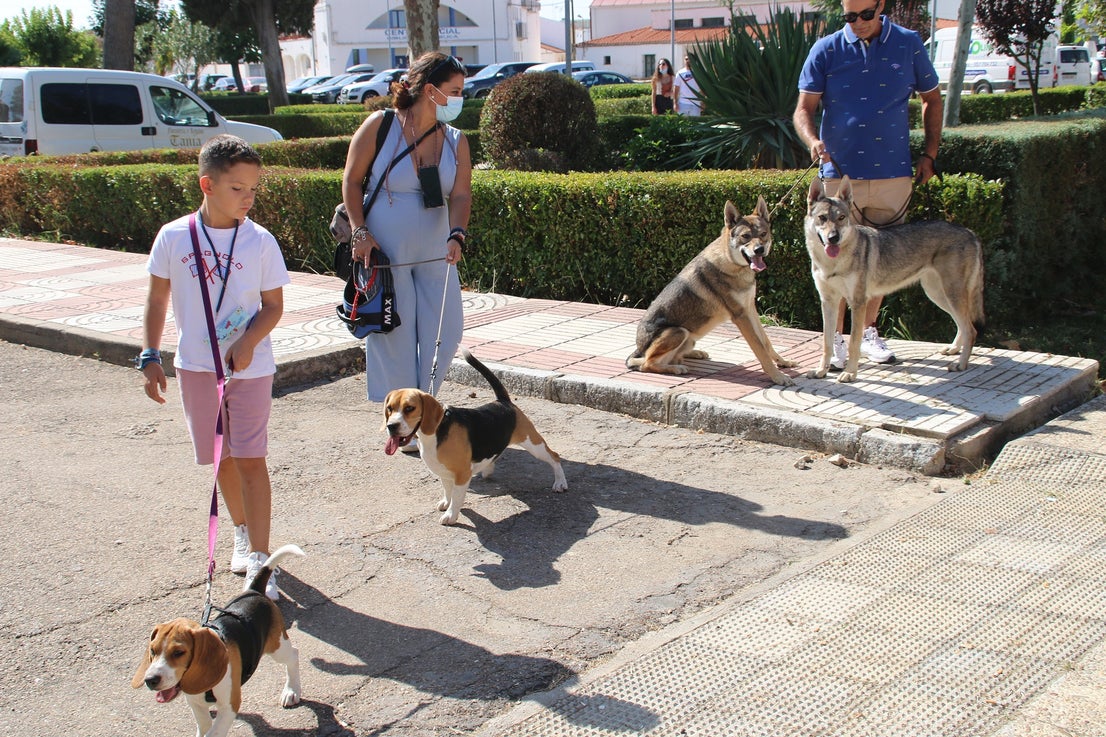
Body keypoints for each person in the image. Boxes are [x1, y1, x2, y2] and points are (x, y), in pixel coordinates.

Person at [140, 134, 290, 600]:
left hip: (250, 368)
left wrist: (248, 342)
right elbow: (157, 297)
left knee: (250, 458)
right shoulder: (173, 236)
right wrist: (150, 354)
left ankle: (262, 560)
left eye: (253, 189)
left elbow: (273, 306)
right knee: (221, 458)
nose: (248, 198)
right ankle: (241, 533)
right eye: (237, 188)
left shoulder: (259, 241)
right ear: (207, 184)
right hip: (196, 367)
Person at [793, 0, 942, 368]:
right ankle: (839, 343)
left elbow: (932, 99)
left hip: (893, 174)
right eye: (849, 16)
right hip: (839, 180)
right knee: (835, 261)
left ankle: (869, 332)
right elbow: (803, 109)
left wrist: (930, 154)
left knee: (880, 263)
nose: (857, 23)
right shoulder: (825, 49)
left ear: (881, 7)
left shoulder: (908, 43)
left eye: (865, 15)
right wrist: (812, 140)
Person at [343, 51, 471, 442]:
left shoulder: (455, 139)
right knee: (395, 334)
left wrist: (458, 233)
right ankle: (404, 427)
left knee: (444, 332)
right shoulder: (380, 125)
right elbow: (351, 182)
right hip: (387, 250)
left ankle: (421, 411)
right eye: (454, 91)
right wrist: (360, 232)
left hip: (437, 250)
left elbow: (461, 194)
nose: (460, 98)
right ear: (429, 91)